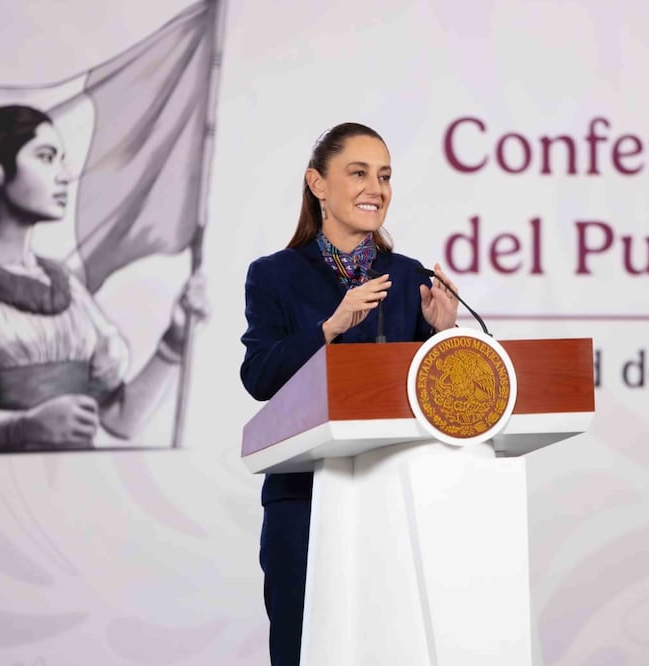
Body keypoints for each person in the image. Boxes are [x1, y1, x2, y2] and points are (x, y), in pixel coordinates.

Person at [0, 104, 207, 456]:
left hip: (72, 497)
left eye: (62, 159)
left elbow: (122, 419)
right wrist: (23, 427)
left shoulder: (66, 288)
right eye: (46, 157)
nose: (64, 175)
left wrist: (174, 341)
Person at [239, 122, 460, 666]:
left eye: (384, 176)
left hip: (393, 494)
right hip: (304, 501)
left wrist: (443, 334)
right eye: (358, 172)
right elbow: (259, 377)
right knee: (304, 649)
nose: (376, 188)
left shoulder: (409, 277)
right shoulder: (274, 275)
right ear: (318, 184)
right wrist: (328, 328)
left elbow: (432, 395)